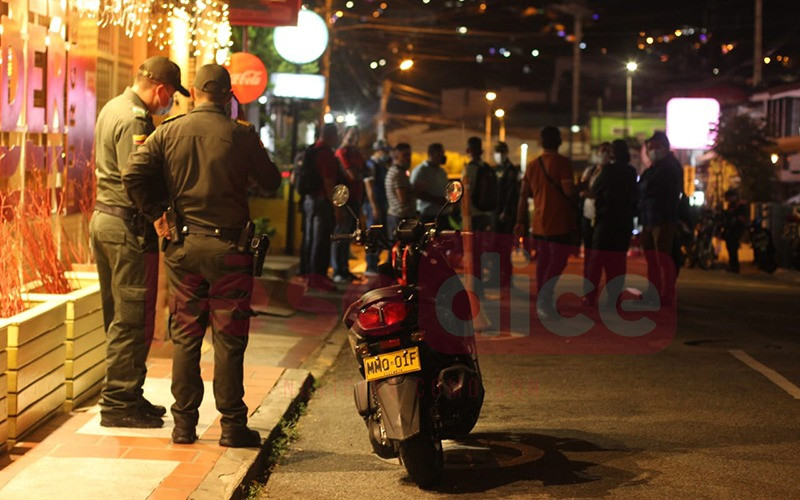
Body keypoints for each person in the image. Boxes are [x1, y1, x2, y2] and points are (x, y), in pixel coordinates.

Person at [123, 64, 281, 446]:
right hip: (230, 251)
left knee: (187, 335)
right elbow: (272, 181)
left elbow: (132, 176)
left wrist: (159, 214)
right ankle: (232, 426)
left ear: (192, 93)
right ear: (228, 97)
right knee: (229, 339)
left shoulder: (168, 131)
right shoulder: (240, 135)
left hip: (183, 248)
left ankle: (184, 426)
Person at [91, 56, 189, 428]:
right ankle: (118, 403)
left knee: (119, 314)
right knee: (130, 318)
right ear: (162, 88)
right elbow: (137, 178)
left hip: (104, 220)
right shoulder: (135, 118)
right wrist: (159, 217)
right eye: (171, 96)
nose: (169, 103)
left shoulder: (112, 106)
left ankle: (129, 391)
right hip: (125, 226)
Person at [514, 126, 578, 319]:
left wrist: (519, 221)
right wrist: (580, 189)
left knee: (543, 262)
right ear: (559, 142)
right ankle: (544, 299)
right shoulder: (563, 163)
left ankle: (543, 300)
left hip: (539, 223)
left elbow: (523, 195)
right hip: (559, 222)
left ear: (541, 143)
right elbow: (568, 191)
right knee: (558, 261)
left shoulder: (533, 165)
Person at [585, 139, 638, 307]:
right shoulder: (631, 172)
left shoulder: (607, 171)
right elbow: (635, 197)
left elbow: (595, 190)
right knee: (618, 262)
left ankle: (591, 297)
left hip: (605, 220)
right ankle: (614, 298)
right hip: (623, 222)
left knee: (597, 261)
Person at [639, 131, 683, 305]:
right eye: (650, 147)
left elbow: (650, 189)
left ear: (665, 147)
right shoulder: (653, 168)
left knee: (663, 258)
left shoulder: (670, 167)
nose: (652, 151)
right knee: (652, 259)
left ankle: (667, 294)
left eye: (656, 147)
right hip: (649, 218)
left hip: (663, 218)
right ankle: (654, 292)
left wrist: (644, 190)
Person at [302, 124, 341, 291]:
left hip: (309, 201)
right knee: (321, 241)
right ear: (332, 136)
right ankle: (318, 278)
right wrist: (336, 207)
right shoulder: (326, 154)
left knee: (310, 239)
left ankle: (308, 275)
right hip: (321, 201)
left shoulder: (311, 151)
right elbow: (328, 181)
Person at [332, 126, 365, 283]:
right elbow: (353, 174)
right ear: (344, 135)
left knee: (349, 236)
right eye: (350, 135)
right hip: (345, 199)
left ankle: (345, 270)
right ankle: (338, 271)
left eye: (355, 135)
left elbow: (364, 172)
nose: (353, 138)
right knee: (341, 235)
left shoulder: (356, 154)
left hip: (356, 198)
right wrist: (359, 173)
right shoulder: (342, 153)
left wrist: (359, 173)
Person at [579, 142, 612, 277]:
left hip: (604, 219)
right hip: (588, 216)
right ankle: (589, 290)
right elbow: (581, 188)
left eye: (607, 151)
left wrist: (594, 195)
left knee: (602, 255)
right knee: (589, 253)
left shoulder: (612, 172)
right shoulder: (590, 171)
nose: (604, 154)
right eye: (602, 150)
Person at [363, 139, 391, 275]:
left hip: (381, 203)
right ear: (379, 151)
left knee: (380, 234)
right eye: (385, 151)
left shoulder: (382, 165)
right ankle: (371, 265)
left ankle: (375, 262)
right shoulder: (371, 165)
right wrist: (374, 206)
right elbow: (369, 186)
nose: (387, 154)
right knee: (373, 235)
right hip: (373, 204)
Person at [410, 143, 451, 227]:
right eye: (440, 153)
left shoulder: (442, 171)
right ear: (431, 154)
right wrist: (437, 200)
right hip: (428, 215)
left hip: (443, 214)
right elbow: (416, 192)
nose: (443, 156)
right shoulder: (421, 171)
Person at [384, 143, 415, 238]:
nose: (408, 158)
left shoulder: (395, 171)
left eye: (409, 155)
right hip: (400, 217)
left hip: (395, 216)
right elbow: (402, 198)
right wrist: (416, 190)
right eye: (405, 155)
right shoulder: (398, 174)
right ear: (397, 155)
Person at [493, 141, 521, 235]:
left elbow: (511, 192)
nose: (499, 154)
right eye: (497, 151)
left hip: (505, 212)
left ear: (506, 153)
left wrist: (506, 211)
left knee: (504, 240)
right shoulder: (496, 169)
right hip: (496, 210)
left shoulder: (510, 169)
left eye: (501, 151)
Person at [721, 188, 748, 273]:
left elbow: (741, 217)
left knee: (733, 247)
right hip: (731, 229)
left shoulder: (739, 205)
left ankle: (735, 267)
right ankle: (732, 265)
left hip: (736, 229)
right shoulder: (731, 205)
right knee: (730, 247)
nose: (728, 199)